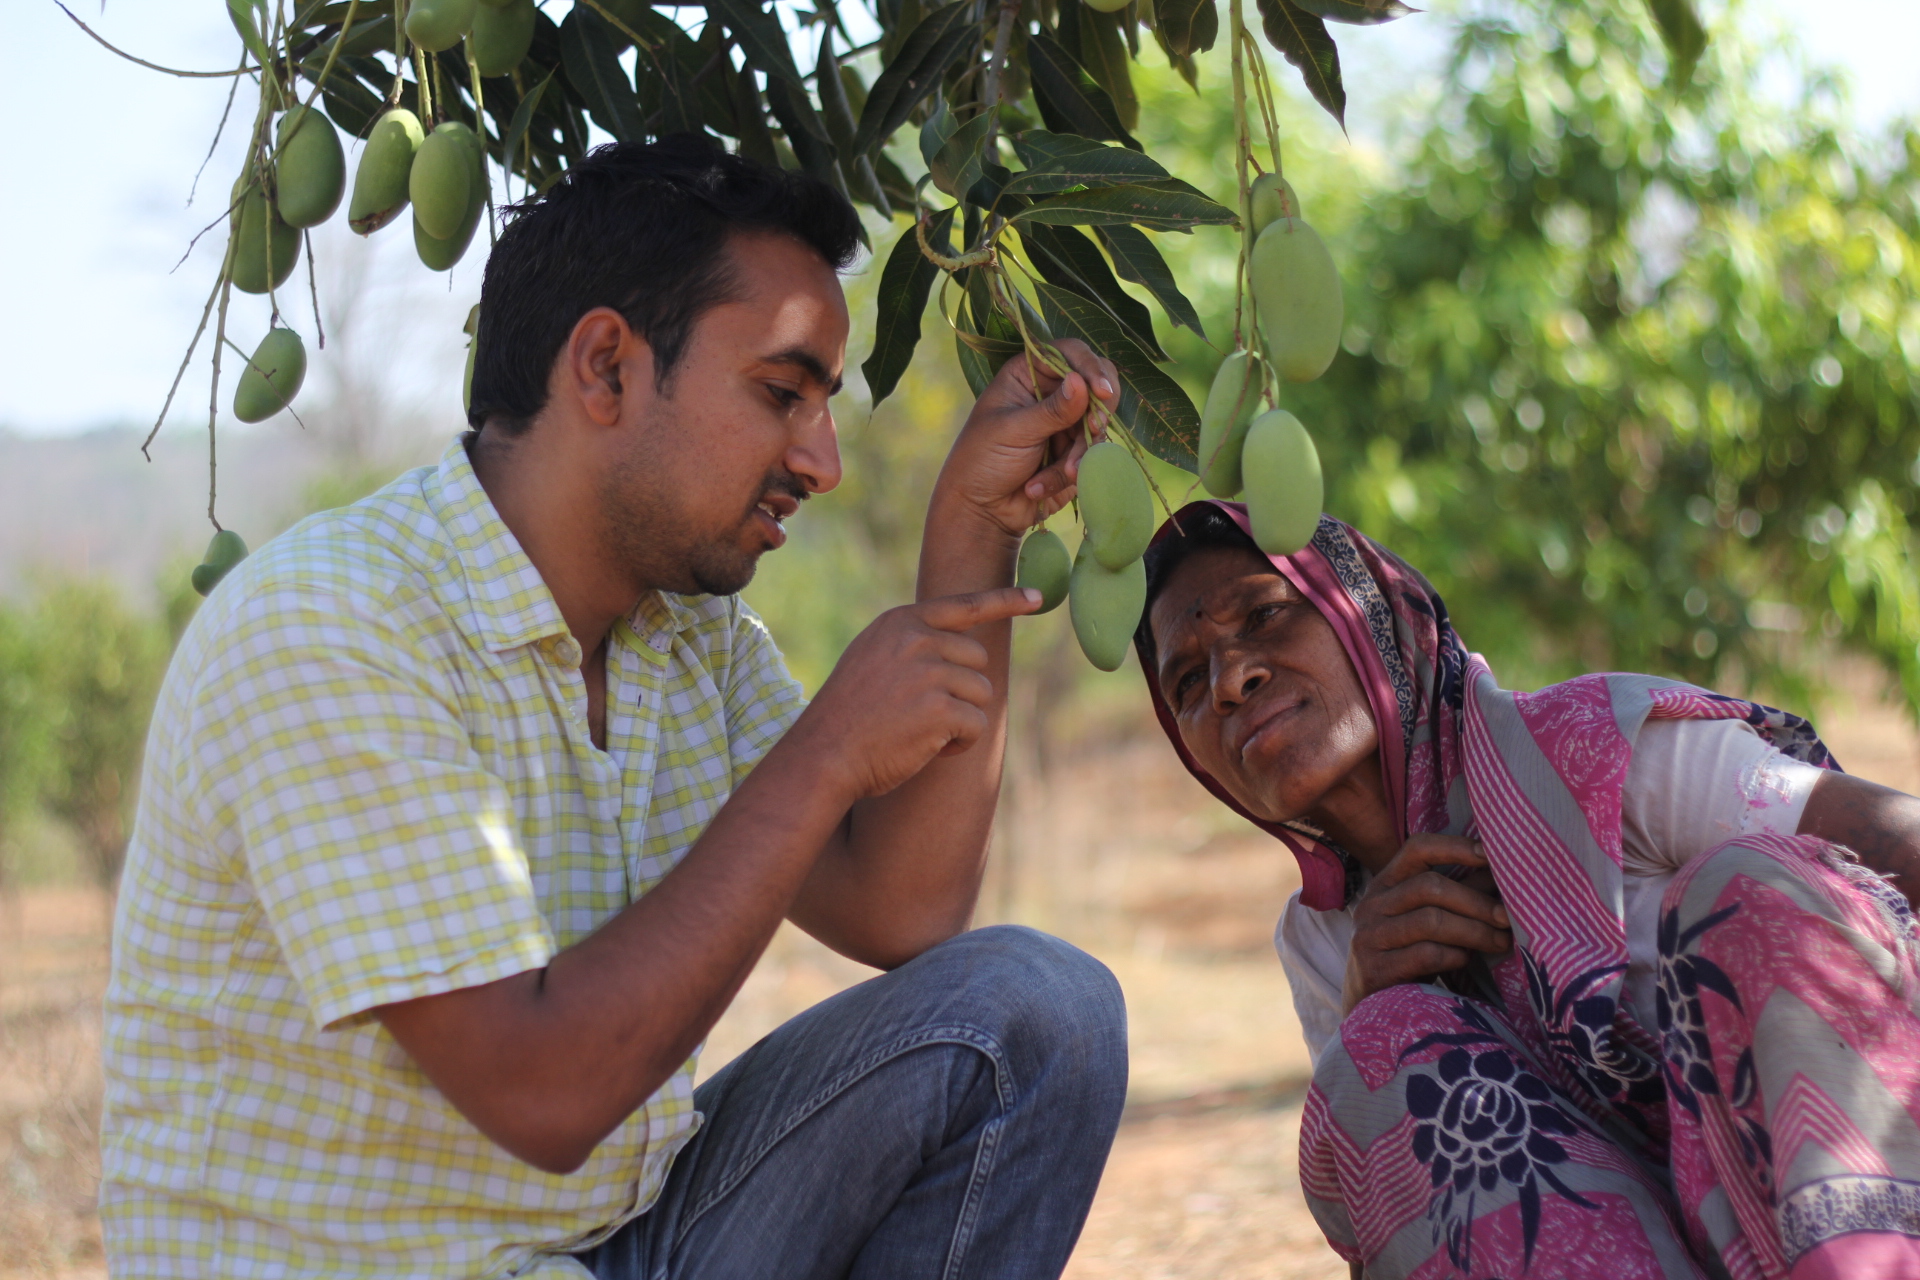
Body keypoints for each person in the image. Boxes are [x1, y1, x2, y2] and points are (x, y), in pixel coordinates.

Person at [99, 136, 1130, 1280]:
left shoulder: (687, 636)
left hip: (615, 1247)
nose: (824, 458)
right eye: (782, 393)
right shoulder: (331, 625)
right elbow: (544, 1093)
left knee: (1037, 1010)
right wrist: (828, 749)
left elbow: (905, 908)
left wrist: (973, 531)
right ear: (605, 369)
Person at [1136, 499, 1920, 1279]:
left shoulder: (1593, 751)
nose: (1231, 680)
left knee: (1745, 888)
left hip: (1849, 1209)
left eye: (1265, 616)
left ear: (1367, 617)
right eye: (1187, 684)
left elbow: (1897, 842)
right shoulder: (1322, 938)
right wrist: (1364, 1001)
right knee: (1374, 1055)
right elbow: (1396, 1226)